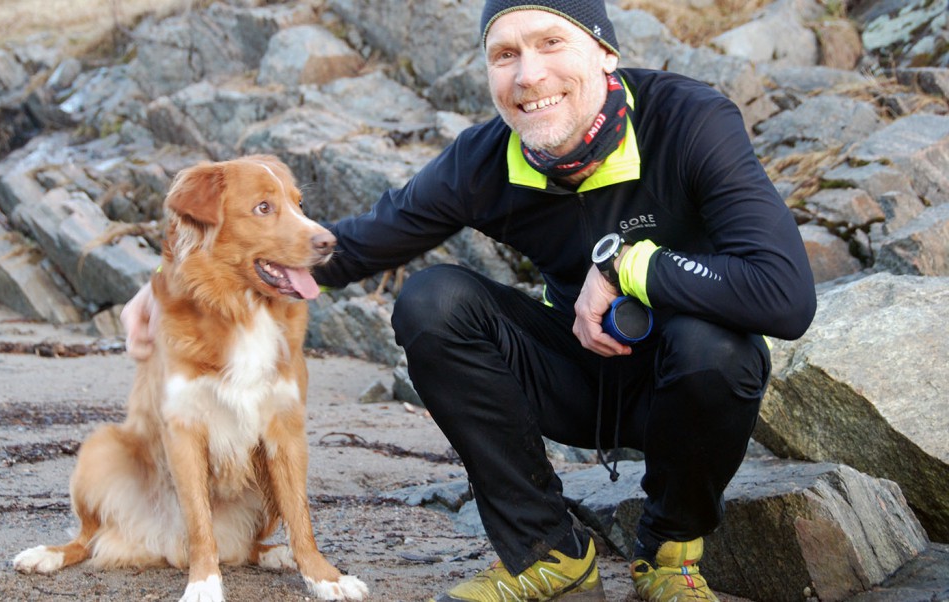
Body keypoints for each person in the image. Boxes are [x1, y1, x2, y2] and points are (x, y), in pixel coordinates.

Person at [123, 0, 817, 600]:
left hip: (687, 386)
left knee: (713, 345)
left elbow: (784, 296)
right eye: (504, 55)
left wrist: (626, 264)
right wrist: (167, 286)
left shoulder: (688, 120)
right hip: (576, 379)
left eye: (551, 43)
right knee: (431, 300)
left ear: (605, 53)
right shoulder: (485, 160)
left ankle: (669, 552)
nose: (529, 75)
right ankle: (547, 552)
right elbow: (353, 247)